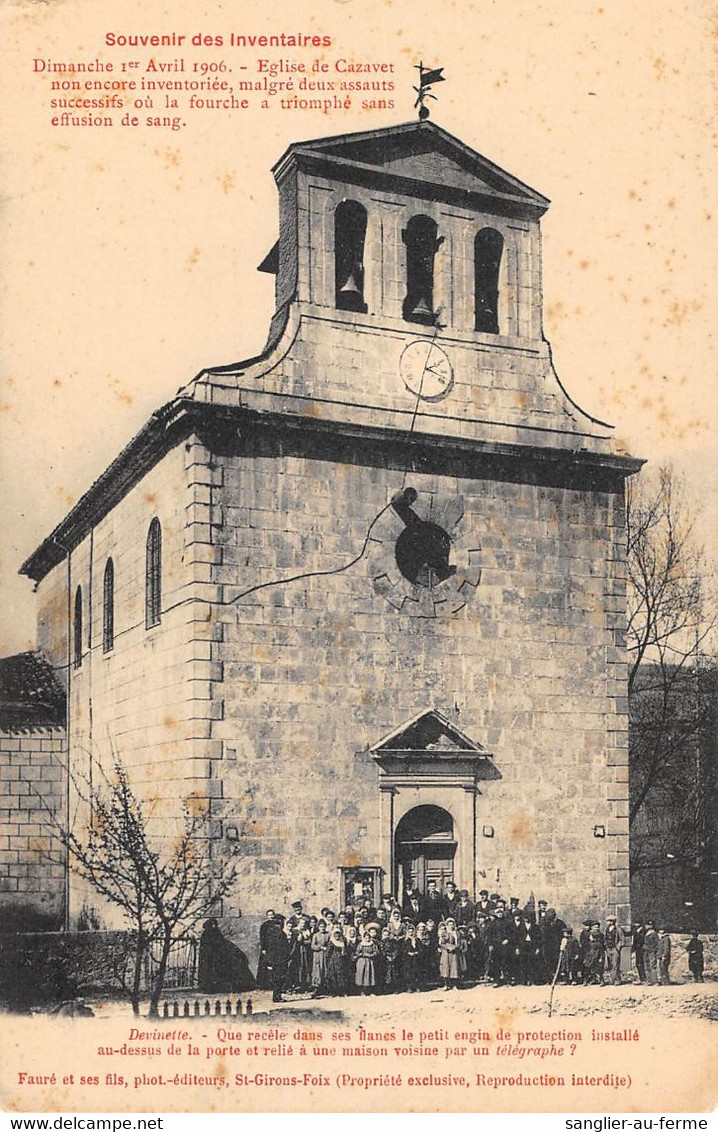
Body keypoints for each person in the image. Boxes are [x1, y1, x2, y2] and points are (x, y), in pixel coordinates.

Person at [197, 918, 256, 993]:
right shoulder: (206, 934)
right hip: (210, 957)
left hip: (218, 955)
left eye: (215, 924)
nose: (214, 926)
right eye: (212, 925)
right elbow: (208, 946)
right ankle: (209, 988)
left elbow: (221, 942)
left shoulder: (217, 932)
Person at [325, 926, 351, 996]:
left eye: (338, 934)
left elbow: (346, 950)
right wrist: (329, 960)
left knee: (342, 976)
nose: (337, 936)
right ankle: (334, 992)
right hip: (333, 961)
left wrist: (344, 954)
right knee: (333, 976)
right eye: (335, 935)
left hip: (342, 961)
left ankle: (342, 991)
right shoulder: (331, 942)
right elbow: (328, 952)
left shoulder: (343, 941)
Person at [354, 929, 380, 994]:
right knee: (361, 975)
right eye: (366, 938)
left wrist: (371, 955)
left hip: (370, 961)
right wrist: (363, 954)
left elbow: (376, 952)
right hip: (362, 961)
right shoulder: (361, 944)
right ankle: (362, 991)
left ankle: (370, 991)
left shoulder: (372, 944)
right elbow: (357, 953)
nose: (367, 939)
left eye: (368, 938)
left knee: (369, 975)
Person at [603, 916, 626, 985]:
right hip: (608, 949)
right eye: (608, 921)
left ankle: (617, 979)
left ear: (613, 922)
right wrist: (605, 946)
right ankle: (611, 979)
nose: (608, 923)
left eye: (610, 921)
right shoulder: (606, 929)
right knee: (610, 964)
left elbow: (622, 940)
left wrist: (618, 948)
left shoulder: (618, 929)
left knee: (615, 964)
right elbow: (604, 938)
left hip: (615, 949)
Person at [310, 919, 330, 993]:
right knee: (317, 970)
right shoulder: (315, 935)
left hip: (325, 955)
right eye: (321, 926)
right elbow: (312, 946)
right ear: (318, 927)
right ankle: (316, 987)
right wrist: (320, 947)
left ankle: (325, 987)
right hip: (317, 955)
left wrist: (327, 948)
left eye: (324, 926)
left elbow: (330, 944)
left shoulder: (328, 934)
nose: (322, 928)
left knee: (325, 969)